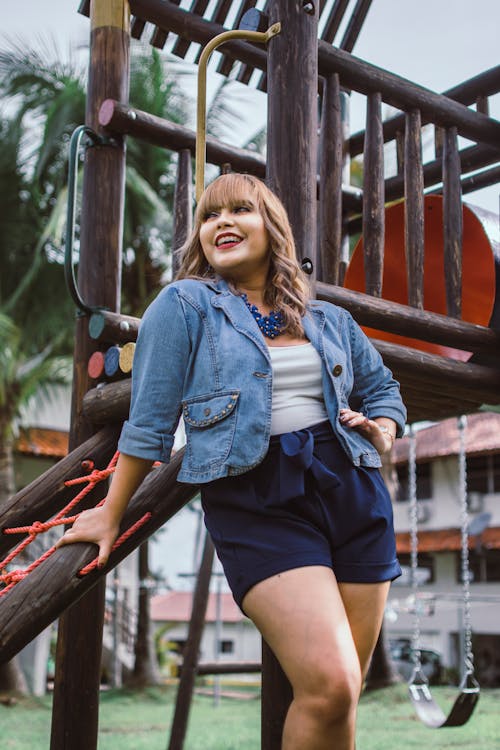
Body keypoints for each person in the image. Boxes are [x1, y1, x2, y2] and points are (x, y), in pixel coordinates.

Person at [57, 173, 406, 750]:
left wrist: (383, 429)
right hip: (255, 491)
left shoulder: (330, 320)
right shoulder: (186, 304)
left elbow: (384, 390)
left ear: (271, 226)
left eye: (239, 209)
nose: (221, 222)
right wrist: (109, 511)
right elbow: (150, 421)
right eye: (208, 216)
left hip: (352, 485)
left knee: (345, 694)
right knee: (331, 684)